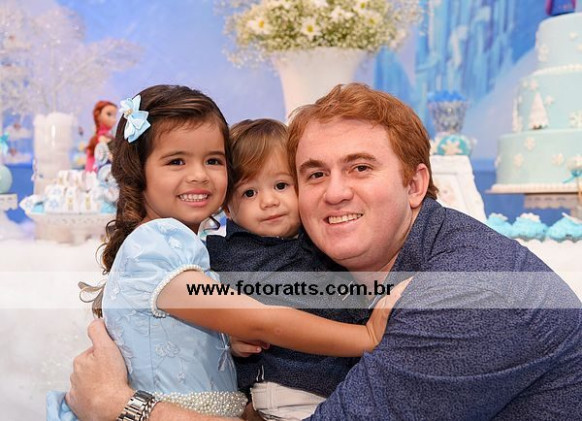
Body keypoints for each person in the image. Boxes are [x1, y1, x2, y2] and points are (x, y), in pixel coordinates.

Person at [66, 83, 582, 420]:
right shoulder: (305, 256)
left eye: (360, 167)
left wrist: (122, 406)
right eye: (314, 174)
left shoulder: (469, 296)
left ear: (415, 184)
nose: (334, 193)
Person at [52, 84, 401, 420]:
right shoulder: (156, 243)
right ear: (137, 170)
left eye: (214, 161)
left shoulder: (188, 247)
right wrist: (366, 337)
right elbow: (262, 320)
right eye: (176, 161)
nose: (199, 175)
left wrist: (227, 340)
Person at [206, 118, 369, 420]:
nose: (269, 201)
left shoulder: (319, 235)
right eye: (249, 193)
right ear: (227, 207)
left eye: (281, 185)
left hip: (340, 382)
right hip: (287, 390)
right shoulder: (229, 255)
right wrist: (228, 339)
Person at [85, 100, 118, 172]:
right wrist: (117, 162)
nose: (114, 119)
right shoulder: (101, 137)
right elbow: (106, 154)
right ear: (98, 116)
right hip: (103, 170)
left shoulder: (109, 136)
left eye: (115, 115)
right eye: (109, 114)